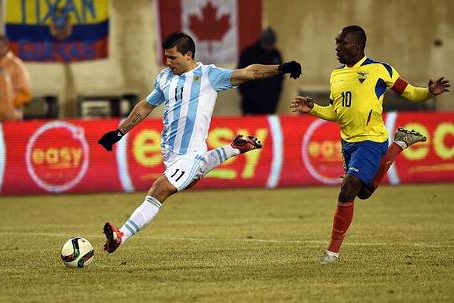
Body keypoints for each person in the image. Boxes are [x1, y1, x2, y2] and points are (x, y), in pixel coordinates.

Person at [98, 32, 302, 254]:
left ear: (188, 55)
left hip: (191, 154)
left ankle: (120, 236)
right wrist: (119, 133)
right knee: (188, 179)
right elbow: (146, 105)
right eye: (166, 57)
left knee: (160, 189)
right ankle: (234, 148)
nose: (168, 62)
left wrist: (280, 68)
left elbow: (249, 72)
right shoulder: (164, 77)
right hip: (171, 155)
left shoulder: (208, 75)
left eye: (172, 57)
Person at [290, 25, 450, 264]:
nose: (337, 47)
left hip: (371, 139)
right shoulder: (336, 75)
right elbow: (336, 112)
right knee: (363, 192)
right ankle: (399, 144)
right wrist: (313, 109)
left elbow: (410, 93)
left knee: (348, 188)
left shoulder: (379, 70)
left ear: (358, 46)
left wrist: (428, 92)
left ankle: (332, 253)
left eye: (342, 43)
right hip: (348, 142)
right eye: (337, 42)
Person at [237, 27, 284, 115]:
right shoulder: (249, 54)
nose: (269, 48)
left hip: (270, 106)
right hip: (250, 107)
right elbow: (240, 78)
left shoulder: (276, 55)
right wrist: (251, 99)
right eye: (267, 45)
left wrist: (274, 100)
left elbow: (280, 80)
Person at [0, 34, 31, 121]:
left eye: (0, 46)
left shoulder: (15, 65)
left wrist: (12, 104)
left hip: (10, 118)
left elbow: (25, 92)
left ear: (6, 46)